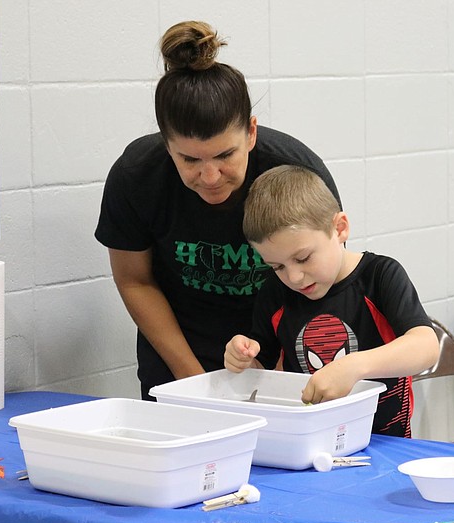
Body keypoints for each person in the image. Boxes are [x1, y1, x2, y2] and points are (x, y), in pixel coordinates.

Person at [95, 21, 341, 400]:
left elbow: (322, 278)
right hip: (179, 355)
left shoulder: (294, 172)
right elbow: (135, 281)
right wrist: (195, 384)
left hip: (279, 357)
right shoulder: (136, 177)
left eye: (226, 155)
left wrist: (279, 375)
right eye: (189, 159)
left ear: (251, 133)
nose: (210, 176)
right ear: (166, 145)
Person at [224, 165, 439, 438]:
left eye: (303, 258)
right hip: (310, 440)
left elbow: (426, 346)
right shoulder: (275, 292)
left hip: (384, 442)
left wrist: (354, 366)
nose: (294, 276)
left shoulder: (380, 276)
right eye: (276, 266)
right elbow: (261, 366)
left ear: (340, 228)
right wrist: (242, 357)